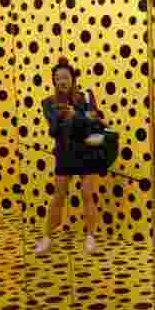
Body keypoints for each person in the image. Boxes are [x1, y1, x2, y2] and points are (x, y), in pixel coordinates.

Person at [35, 57, 107, 256]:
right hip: (65, 153)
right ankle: (47, 237)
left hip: (87, 152)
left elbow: (96, 120)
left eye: (65, 77)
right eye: (58, 78)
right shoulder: (48, 103)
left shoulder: (85, 96)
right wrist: (64, 117)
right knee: (58, 196)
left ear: (73, 79)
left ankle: (91, 238)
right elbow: (53, 130)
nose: (62, 81)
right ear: (54, 81)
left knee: (87, 194)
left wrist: (78, 115)